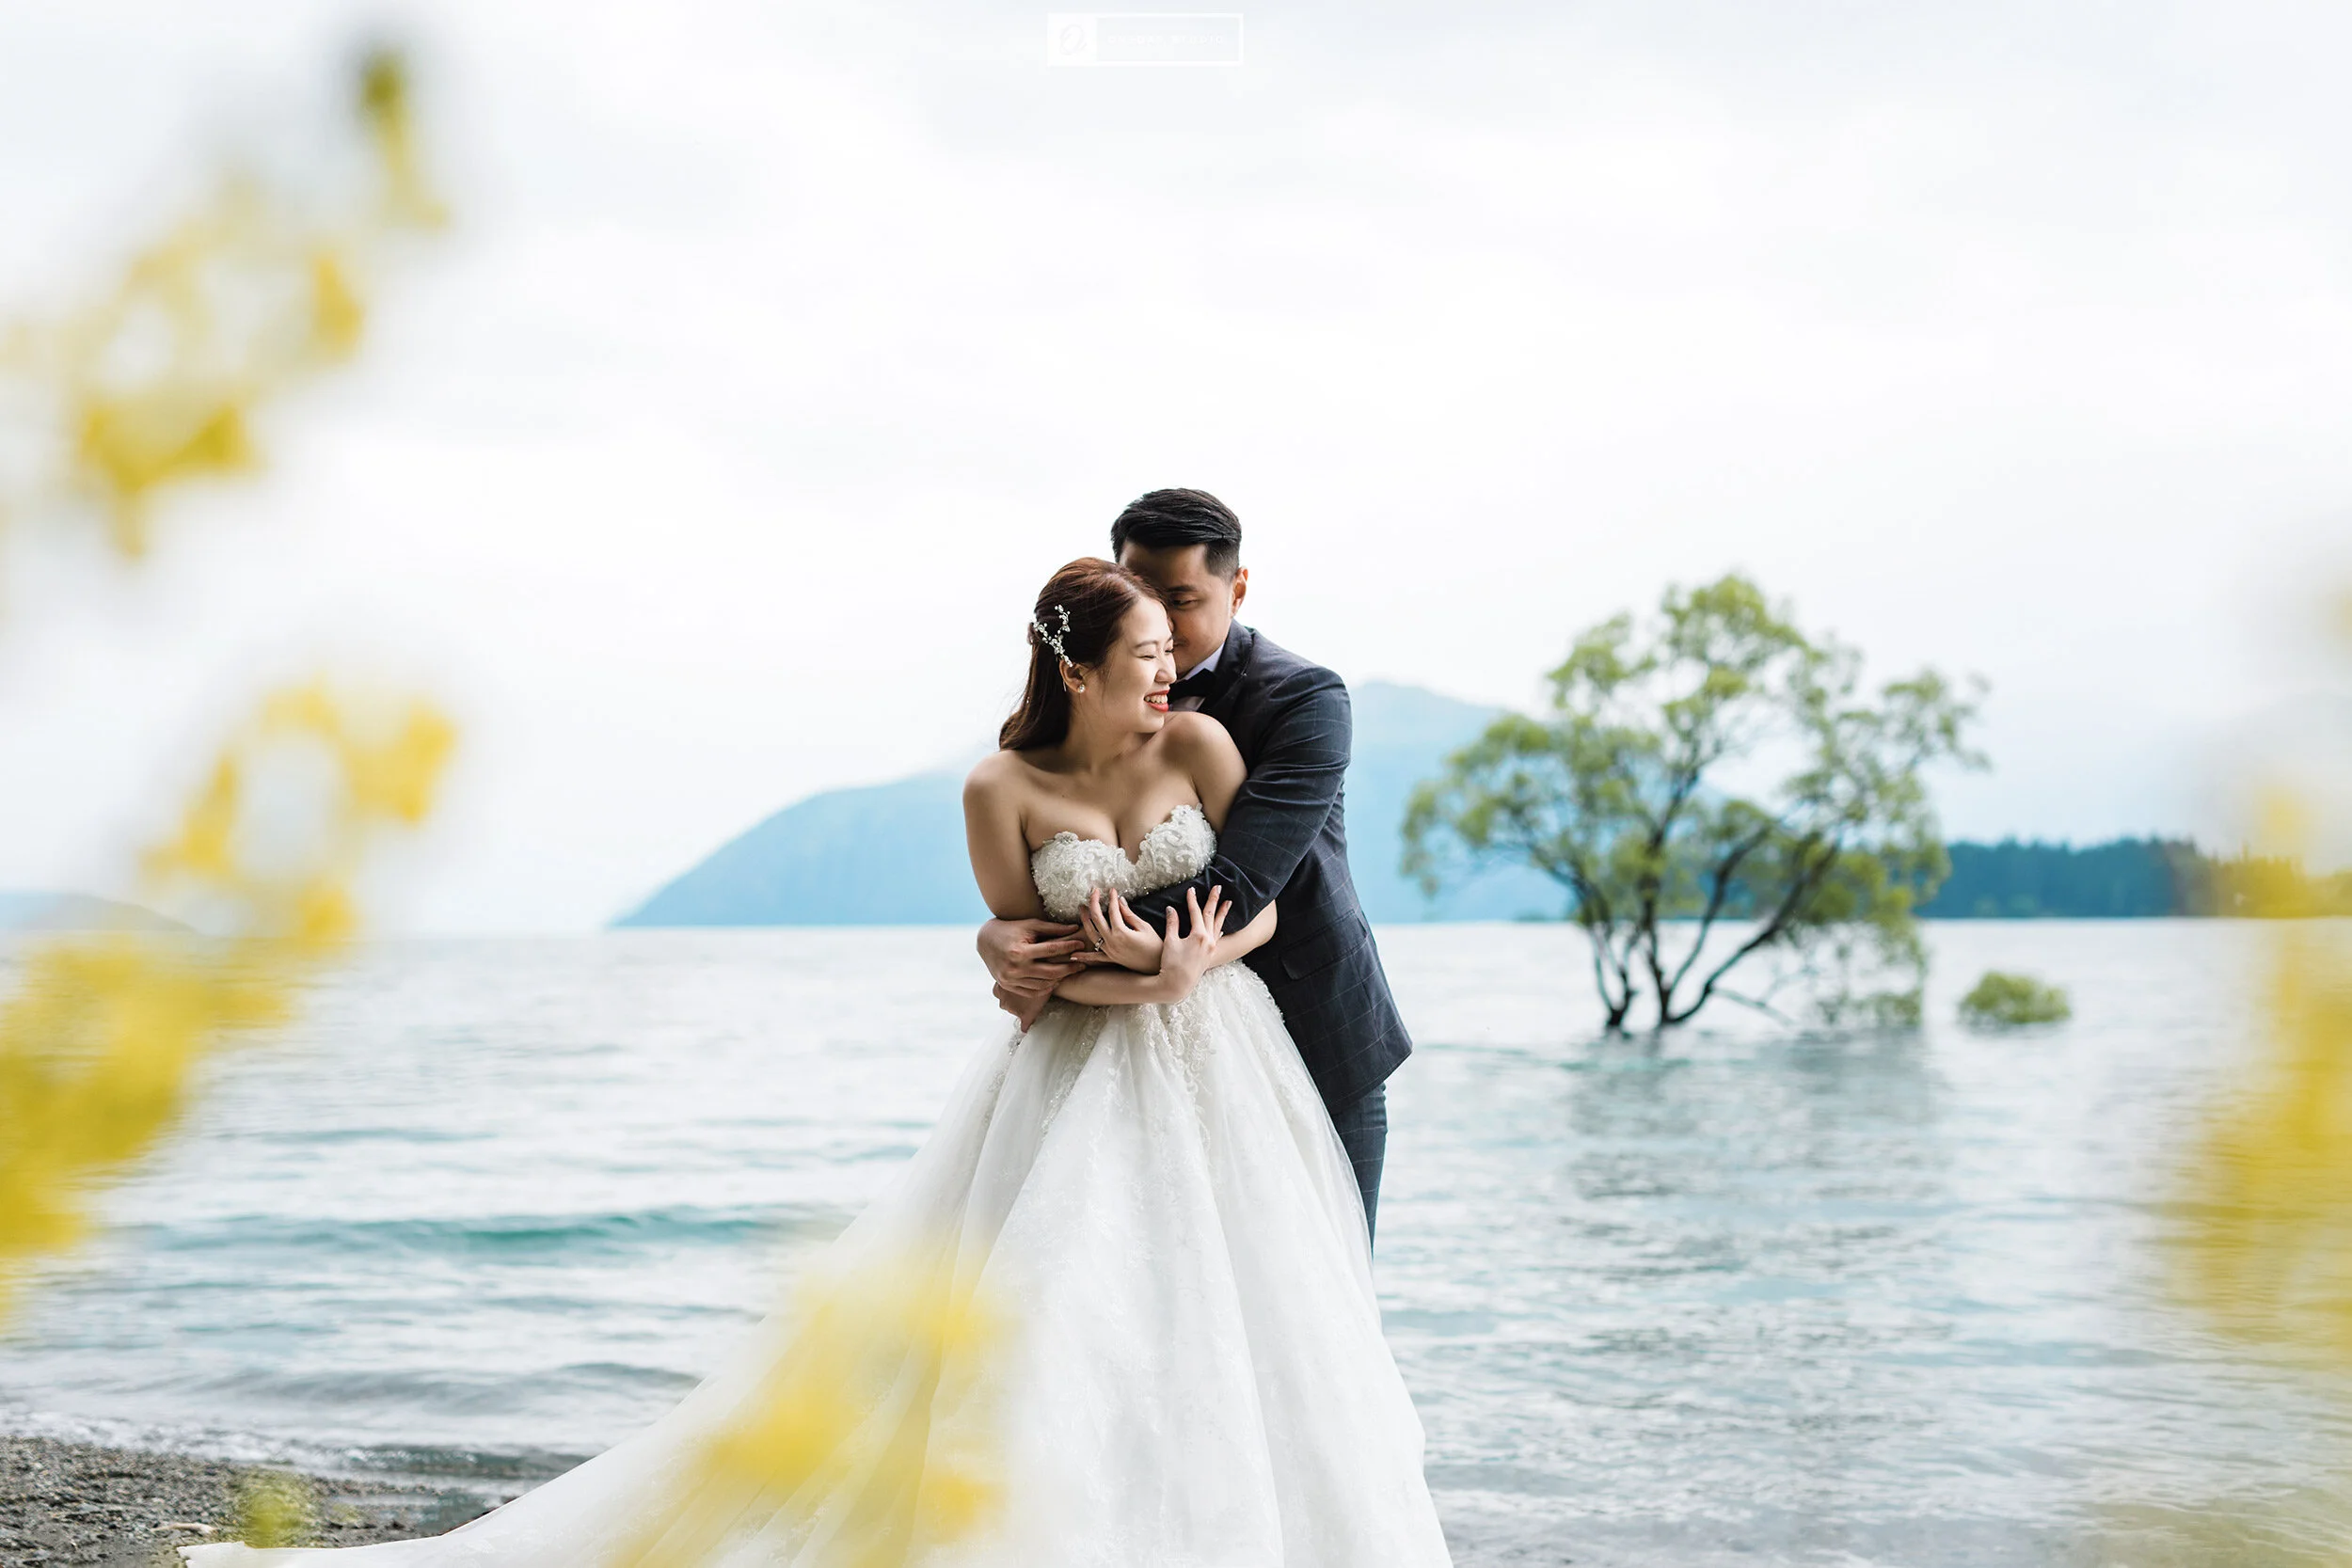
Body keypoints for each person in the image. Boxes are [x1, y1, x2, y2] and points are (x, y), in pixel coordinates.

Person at [184, 553, 1451, 1567]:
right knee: (1065, 1312)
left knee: (1261, 1311)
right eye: (1145, 658)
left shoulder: (1205, 747)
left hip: (1222, 1058)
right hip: (1072, 1075)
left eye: (1175, 653)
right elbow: (1034, 962)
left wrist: (1188, 967)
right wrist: (1120, 969)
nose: (1170, 675)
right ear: (1076, 670)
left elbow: (1273, 897)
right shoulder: (996, 788)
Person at [977, 488, 1414, 1240]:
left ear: (1237, 586)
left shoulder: (1302, 700)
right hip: (1114, 1052)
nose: (1160, 631)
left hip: (1310, 1028)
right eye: (1140, 595)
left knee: (1318, 1300)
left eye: (1179, 599)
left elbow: (1239, 887)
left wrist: (1069, 949)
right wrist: (1000, 934)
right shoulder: (1039, 751)